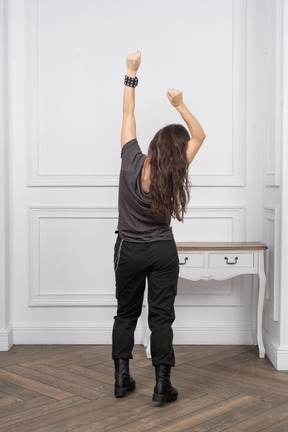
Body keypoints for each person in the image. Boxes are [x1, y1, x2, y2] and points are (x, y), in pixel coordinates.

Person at [112, 51, 206, 403]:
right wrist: (180, 105)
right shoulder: (175, 170)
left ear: (152, 145)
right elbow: (200, 134)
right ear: (175, 152)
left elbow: (127, 113)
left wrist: (131, 73)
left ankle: (122, 380)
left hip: (129, 250)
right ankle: (162, 385)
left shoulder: (130, 158)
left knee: (126, 313)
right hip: (163, 251)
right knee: (161, 318)